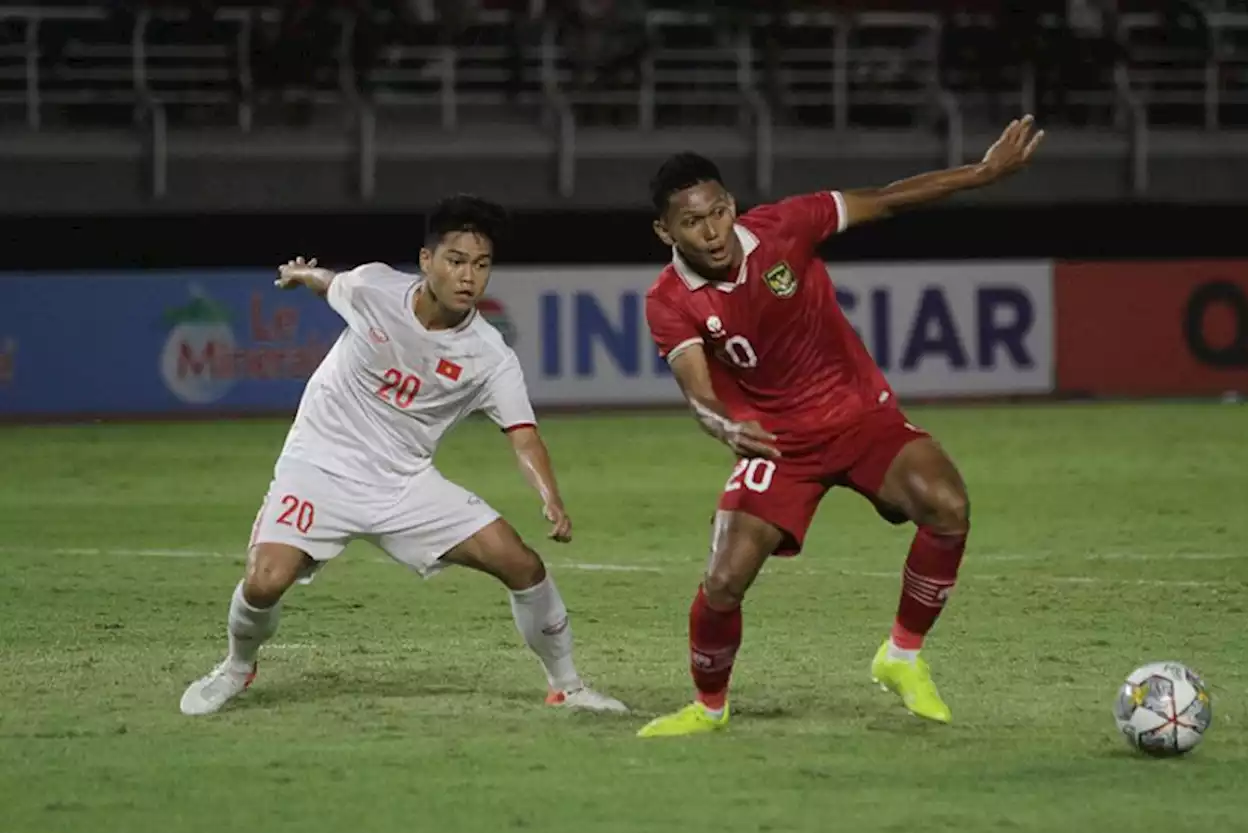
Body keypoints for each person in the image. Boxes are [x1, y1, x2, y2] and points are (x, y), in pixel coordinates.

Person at [637, 116, 1045, 737]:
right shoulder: (668, 299)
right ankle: (709, 707)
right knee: (723, 580)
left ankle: (901, 655)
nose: (712, 230)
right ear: (665, 230)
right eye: (692, 222)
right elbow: (695, 387)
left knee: (948, 506)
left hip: (860, 416)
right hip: (777, 442)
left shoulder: (786, 226)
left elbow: (886, 200)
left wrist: (983, 172)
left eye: (718, 211)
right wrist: (723, 425)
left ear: (732, 205)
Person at [180, 194, 627, 717]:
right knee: (263, 582)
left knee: (521, 564)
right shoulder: (374, 288)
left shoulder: (488, 355)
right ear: (426, 261)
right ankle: (237, 666)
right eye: (456, 261)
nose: (469, 277)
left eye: (482, 265)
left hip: (402, 483)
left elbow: (523, 434)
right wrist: (307, 276)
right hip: (318, 466)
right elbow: (335, 285)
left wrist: (551, 497)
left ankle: (567, 686)